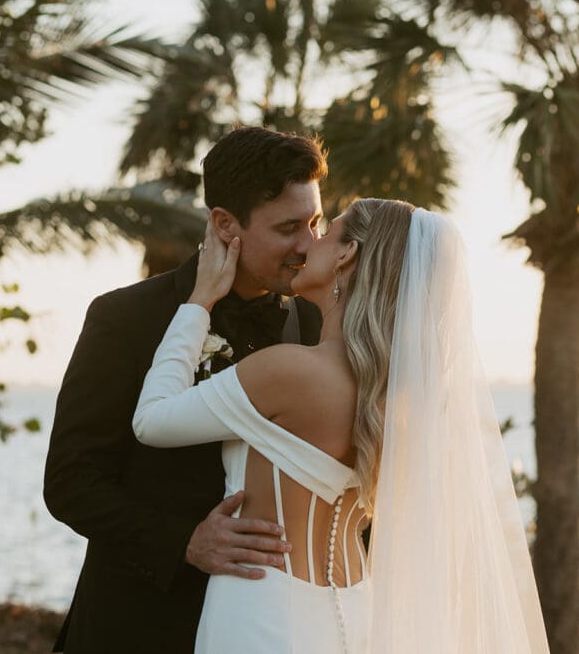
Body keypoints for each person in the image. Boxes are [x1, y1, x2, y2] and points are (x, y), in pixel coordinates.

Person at [133, 199, 550, 653]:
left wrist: (200, 300)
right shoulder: (402, 401)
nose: (308, 243)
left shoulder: (288, 371)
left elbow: (152, 420)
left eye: (325, 230)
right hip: (356, 613)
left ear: (347, 255)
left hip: (263, 609)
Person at [43, 127, 328, 653]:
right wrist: (184, 541)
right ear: (224, 223)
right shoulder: (125, 318)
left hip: (267, 628)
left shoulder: (317, 324)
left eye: (314, 222)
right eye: (289, 227)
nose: (308, 245)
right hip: (139, 626)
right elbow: (70, 482)